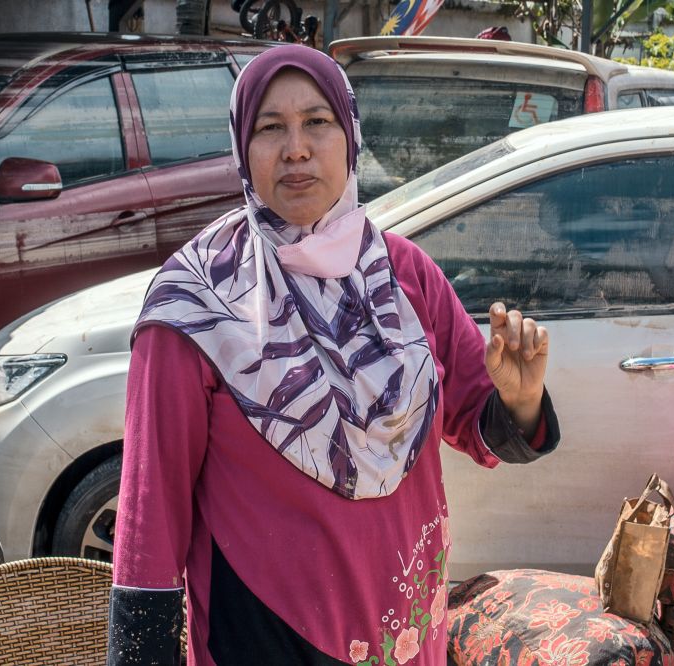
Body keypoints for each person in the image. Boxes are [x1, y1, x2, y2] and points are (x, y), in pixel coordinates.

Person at [107, 44, 559, 666]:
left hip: (405, 635)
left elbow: (477, 426)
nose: (296, 148)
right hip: (262, 641)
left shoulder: (405, 277)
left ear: (349, 137)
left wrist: (520, 399)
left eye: (317, 122)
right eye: (271, 128)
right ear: (243, 148)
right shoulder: (195, 307)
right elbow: (149, 513)